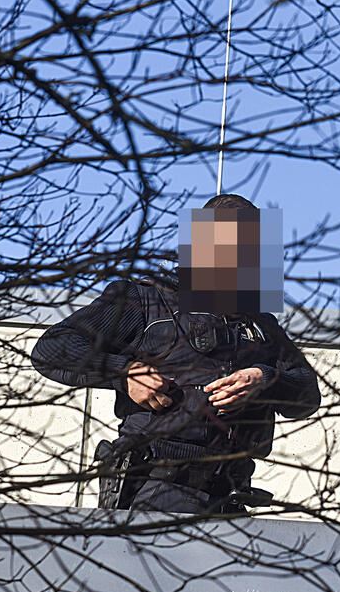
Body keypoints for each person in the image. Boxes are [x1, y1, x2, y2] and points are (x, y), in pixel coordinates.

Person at [32, 194, 320, 514]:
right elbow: (53, 347)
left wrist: (265, 378)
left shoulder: (261, 324)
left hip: (231, 496)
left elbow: (307, 394)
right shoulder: (146, 300)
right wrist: (124, 372)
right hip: (155, 490)